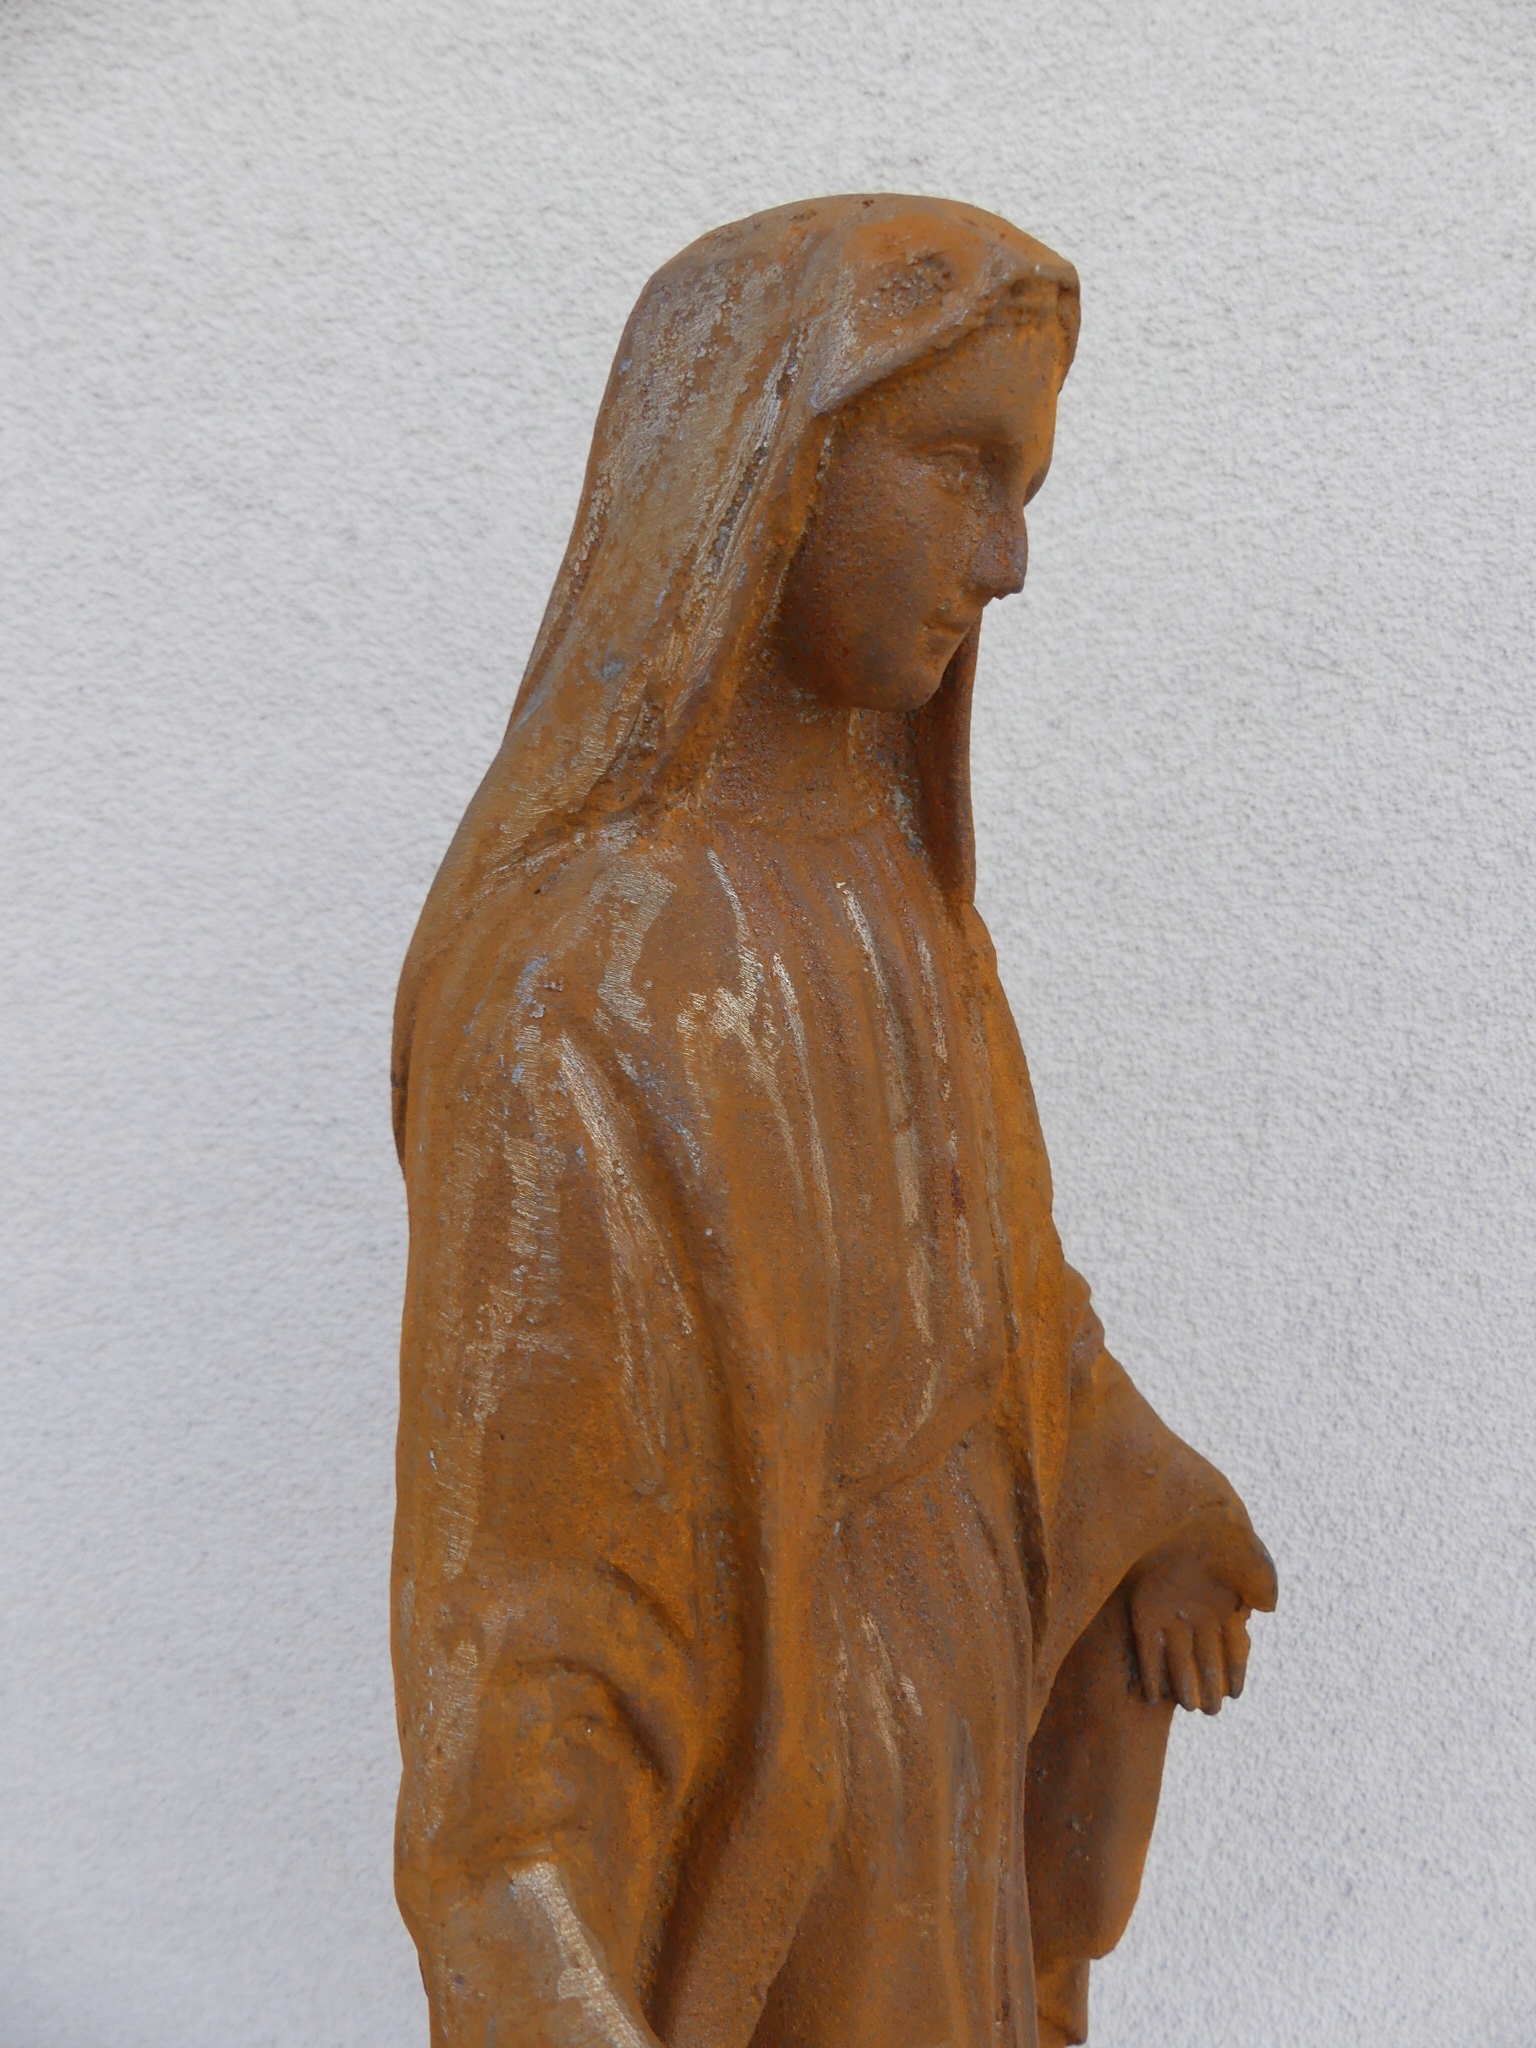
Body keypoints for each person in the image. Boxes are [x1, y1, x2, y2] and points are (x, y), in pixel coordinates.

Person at [390, 194, 1277, 2048]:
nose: (1007, 560)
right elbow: (542, 1620)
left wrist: (1149, 1499)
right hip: (794, 1788)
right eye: (961, 469)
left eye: (1024, 491)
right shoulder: (582, 986)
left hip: (959, 1700)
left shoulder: (894, 879)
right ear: (762, 465)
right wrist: (537, 1953)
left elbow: (1007, 1317)